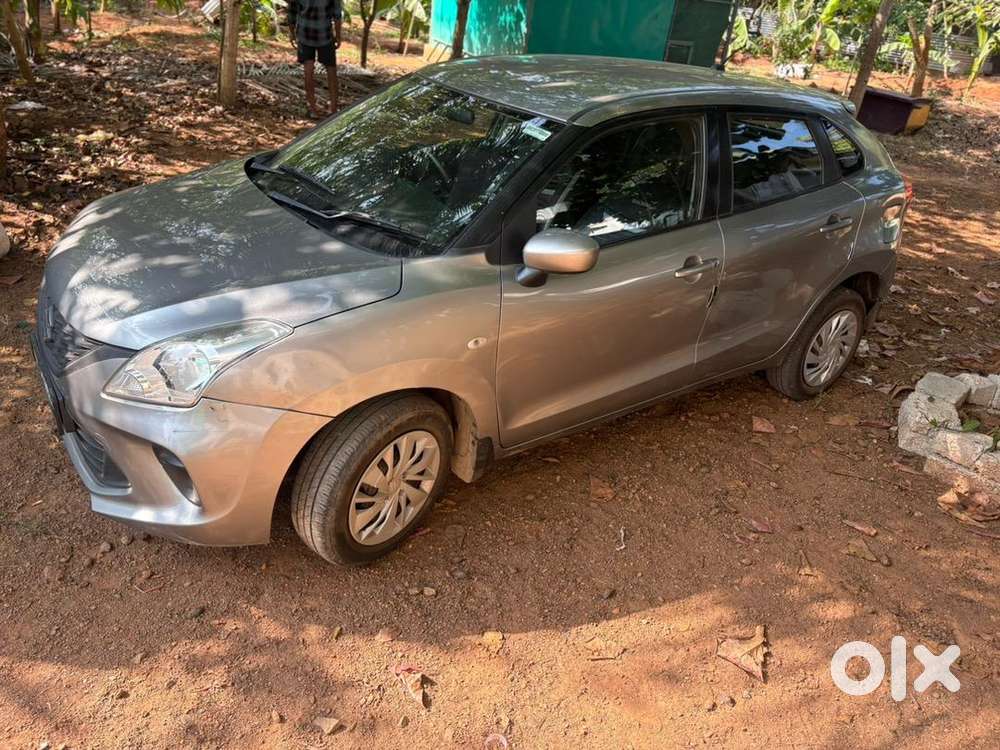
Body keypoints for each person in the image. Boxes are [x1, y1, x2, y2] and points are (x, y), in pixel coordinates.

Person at [287, 0, 343, 117]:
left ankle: (313, 110)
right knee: (331, 70)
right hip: (325, 35)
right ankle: (333, 109)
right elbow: (337, 15)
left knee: (308, 70)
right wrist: (338, 36)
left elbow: (292, 12)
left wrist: (292, 33)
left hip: (304, 35)